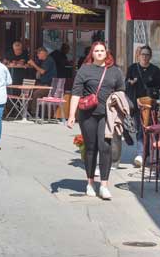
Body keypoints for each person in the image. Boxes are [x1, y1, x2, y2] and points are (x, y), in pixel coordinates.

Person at [67, 41, 125, 200]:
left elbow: (121, 92)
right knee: (91, 148)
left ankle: (104, 185)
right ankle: (90, 182)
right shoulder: (84, 70)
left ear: (107, 53)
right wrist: (72, 115)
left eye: (102, 50)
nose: (99, 53)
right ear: (92, 53)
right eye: (96, 51)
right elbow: (76, 93)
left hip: (107, 115)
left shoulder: (115, 71)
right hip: (88, 115)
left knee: (105, 147)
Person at [126, 45, 160, 168]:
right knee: (140, 128)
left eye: (147, 55)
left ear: (150, 56)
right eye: (142, 54)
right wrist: (130, 82)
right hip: (136, 104)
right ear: (139, 55)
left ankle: (143, 154)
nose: (144, 57)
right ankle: (142, 154)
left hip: (151, 104)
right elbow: (126, 83)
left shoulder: (155, 70)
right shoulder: (132, 68)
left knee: (148, 128)